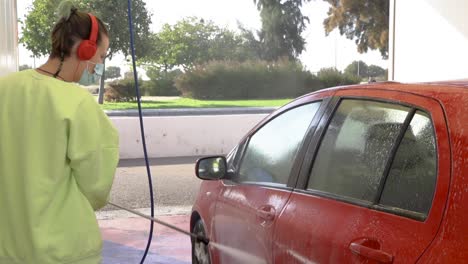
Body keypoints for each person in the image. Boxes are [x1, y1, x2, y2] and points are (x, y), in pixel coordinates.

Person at [0, 2, 119, 263]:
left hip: (8, 248)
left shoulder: (5, 88)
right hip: (64, 250)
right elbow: (96, 186)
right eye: (101, 55)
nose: (100, 64)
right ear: (85, 49)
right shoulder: (77, 103)